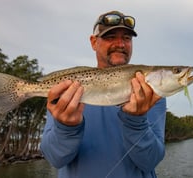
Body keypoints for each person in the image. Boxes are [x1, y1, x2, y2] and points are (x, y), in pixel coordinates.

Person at [40, 10, 166, 178]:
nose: (120, 44)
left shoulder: (151, 94)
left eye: (127, 38)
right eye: (110, 37)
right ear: (94, 42)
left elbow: (150, 161)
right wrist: (66, 128)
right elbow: (55, 159)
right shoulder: (65, 92)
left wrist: (137, 122)